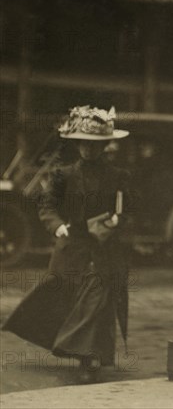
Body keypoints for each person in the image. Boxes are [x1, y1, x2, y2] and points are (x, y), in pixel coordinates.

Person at [2, 105, 131, 384]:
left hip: (104, 248)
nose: (89, 150)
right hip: (72, 246)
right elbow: (46, 206)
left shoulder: (118, 175)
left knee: (97, 299)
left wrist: (117, 222)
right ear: (77, 145)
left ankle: (89, 359)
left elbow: (127, 209)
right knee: (65, 298)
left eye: (95, 145)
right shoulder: (63, 175)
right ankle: (78, 351)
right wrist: (58, 226)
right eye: (84, 144)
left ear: (106, 145)